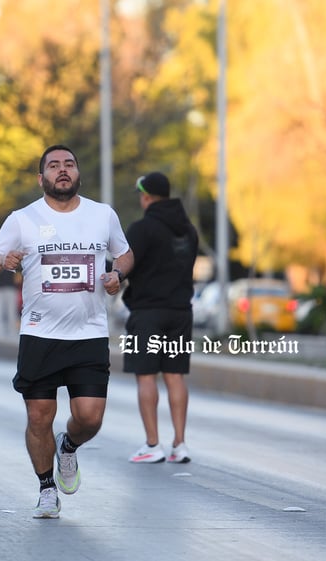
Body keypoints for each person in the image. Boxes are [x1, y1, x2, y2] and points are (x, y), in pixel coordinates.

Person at [0, 144, 133, 519]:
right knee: (38, 417)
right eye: (54, 166)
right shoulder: (22, 219)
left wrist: (118, 275)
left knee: (90, 417)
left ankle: (69, 446)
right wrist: (2, 260)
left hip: (89, 333)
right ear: (41, 177)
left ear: (78, 173)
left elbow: (124, 253)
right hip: (39, 334)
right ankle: (46, 488)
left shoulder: (102, 215)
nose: (62, 170)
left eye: (69, 164)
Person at [121, 171, 199, 464]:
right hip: (181, 312)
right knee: (175, 376)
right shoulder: (189, 230)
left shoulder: (142, 229)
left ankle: (153, 444)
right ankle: (180, 444)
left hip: (147, 312)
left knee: (146, 376)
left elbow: (124, 264)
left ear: (146, 196)